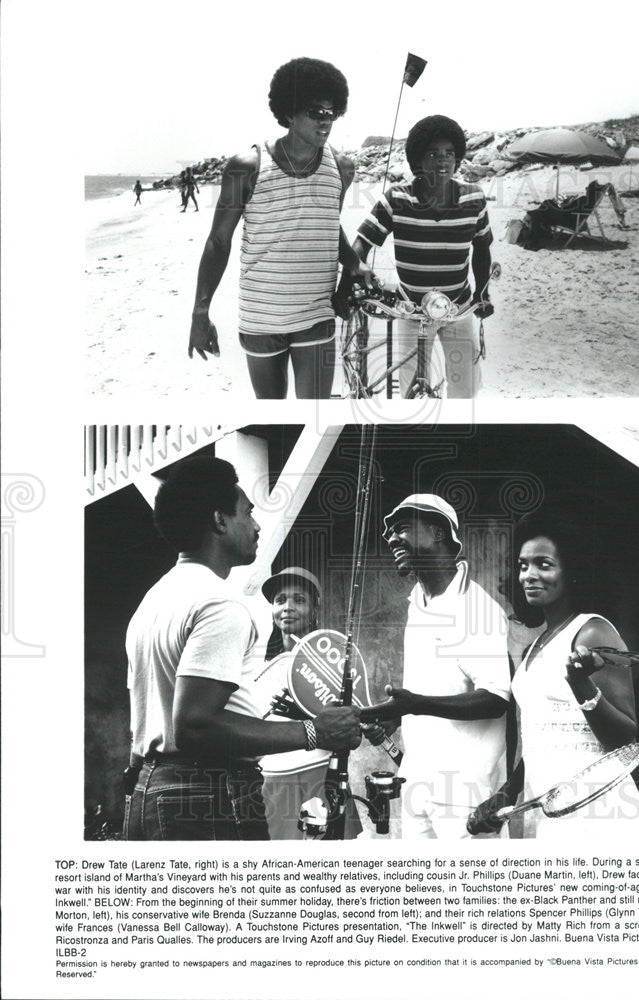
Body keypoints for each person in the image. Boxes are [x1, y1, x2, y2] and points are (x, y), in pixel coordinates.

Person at [123, 457, 361, 840]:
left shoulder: (151, 602)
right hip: (208, 793)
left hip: (151, 789)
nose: (256, 524)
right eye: (247, 513)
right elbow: (195, 725)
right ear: (220, 521)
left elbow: (148, 721)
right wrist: (315, 732)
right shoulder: (220, 603)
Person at [468, 514, 639, 840]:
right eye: (523, 565)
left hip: (602, 815)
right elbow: (540, 742)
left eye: (544, 564)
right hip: (549, 814)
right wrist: (506, 793)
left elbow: (623, 739)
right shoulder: (533, 647)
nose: (529, 575)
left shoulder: (592, 630)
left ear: (573, 572)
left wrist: (579, 682)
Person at [188, 57, 370, 399]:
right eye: (316, 111)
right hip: (261, 317)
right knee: (272, 416)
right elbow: (217, 242)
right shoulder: (248, 166)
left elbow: (329, 227)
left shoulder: (342, 168)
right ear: (288, 113)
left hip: (316, 312)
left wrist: (354, 264)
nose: (326, 120)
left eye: (331, 112)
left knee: (312, 415)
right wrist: (201, 312)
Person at [360, 494, 511, 839]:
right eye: (391, 532)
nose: (391, 538)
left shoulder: (477, 608)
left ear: (439, 533)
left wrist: (416, 704)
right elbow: (433, 691)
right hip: (417, 780)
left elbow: (495, 697)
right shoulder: (417, 603)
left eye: (402, 529)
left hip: (465, 791)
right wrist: (393, 716)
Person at [352, 115, 494, 398]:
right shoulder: (397, 199)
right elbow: (361, 243)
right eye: (432, 154)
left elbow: (481, 249)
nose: (443, 161)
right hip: (411, 310)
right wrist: (356, 272)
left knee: (464, 390)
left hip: (458, 307)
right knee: (409, 391)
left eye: (449, 154)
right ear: (418, 159)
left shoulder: (473, 199)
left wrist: (483, 293)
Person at [252, 567, 363, 839]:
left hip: (320, 776)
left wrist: (299, 713)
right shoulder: (260, 665)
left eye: (299, 600)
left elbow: (350, 733)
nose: (288, 607)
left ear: (315, 609)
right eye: (280, 600)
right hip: (272, 781)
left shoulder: (331, 662)